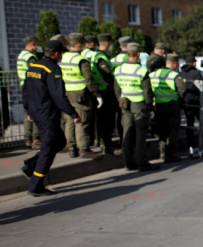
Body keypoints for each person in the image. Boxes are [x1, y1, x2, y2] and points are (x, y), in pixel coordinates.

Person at [21, 40, 81, 196]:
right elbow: (58, 95)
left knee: (59, 142)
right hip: (47, 114)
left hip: (37, 112)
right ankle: (35, 185)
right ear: (56, 53)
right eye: (61, 53)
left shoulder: (34, 66)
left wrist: (28, 109)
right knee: (47, 149)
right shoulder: (52, 68)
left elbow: (25, 90)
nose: (61, 56)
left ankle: (31, 165)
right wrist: (72, 113)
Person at [114, 42, 159, 172]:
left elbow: (117, 90)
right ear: (138, 54)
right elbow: (147, 91)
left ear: (127, 53)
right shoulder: (141, 71)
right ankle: (142, 163)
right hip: (139, 105)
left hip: (125, 104)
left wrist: (120, 101)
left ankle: (128, 163)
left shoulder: (119, 70)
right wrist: (150, 107)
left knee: (127, 134)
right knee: (140, 135)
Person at [59, 33, 103, 159]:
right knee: (82, 121)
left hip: (66, 93)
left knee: (69, 121)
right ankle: (84, 149)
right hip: (80, 94)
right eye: (83, 44)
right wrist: (96, 94)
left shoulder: (63, 57)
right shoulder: (81, 60)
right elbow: (89, 79)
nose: (84, 46)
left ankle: (71, 148)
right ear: (78, 45)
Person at [150, 53, 186, 162]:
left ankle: (162, 151)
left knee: (162, 130)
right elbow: (182, 89)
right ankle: (169, 154)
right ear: (174, 64)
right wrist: (180, 100)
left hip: (158, 105)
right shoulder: (174, 75)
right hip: (172, 106)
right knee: (172, 130)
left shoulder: (153, 74)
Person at [17, 35, 41, 149]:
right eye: (37, 44)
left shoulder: (21, 55)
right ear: (32, 44)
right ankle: (36, 139)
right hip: (32, 86)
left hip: (24, 85)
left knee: (28, 113)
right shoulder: (30, 57)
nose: (38, 47)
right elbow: (34, 73)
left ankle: (27, 139)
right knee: (36, 112)